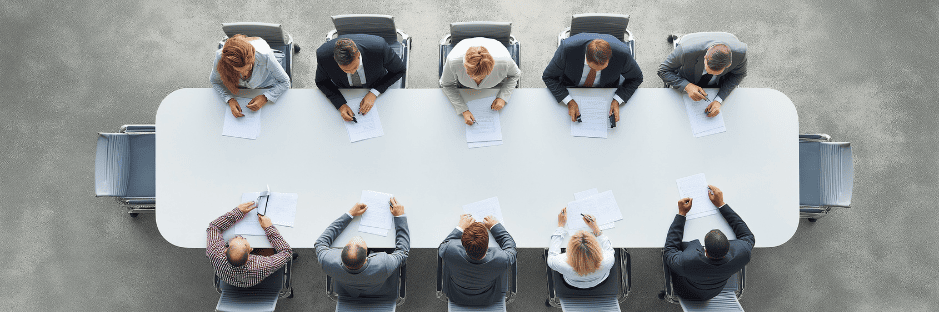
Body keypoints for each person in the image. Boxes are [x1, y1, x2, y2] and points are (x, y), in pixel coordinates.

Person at [663, 185, 755, 301]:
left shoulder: (686, 261)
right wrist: (721, 204)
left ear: (704, 249)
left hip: (686, 291)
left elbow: (670, 250)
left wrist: (681, 213)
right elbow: (747, 236)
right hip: (714, 292)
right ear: (729, 246)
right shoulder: (743, 253)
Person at [315, 198, 409, 299]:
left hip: (350, 290)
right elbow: (402, 252)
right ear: (367, 257)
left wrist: (350, 214)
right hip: (377, 288)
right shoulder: (383, 264)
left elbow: (320, 242)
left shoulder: (327, 261)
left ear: (341, 251)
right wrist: (400, 217)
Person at [542, 33, 643, 123]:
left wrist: (617, 99)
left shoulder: (622, 54)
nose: (597, 71)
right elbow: (549, 76)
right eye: (591, 67)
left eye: (602, 68)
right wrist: (568, 100)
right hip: (571, 87)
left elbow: (636, 78)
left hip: (606, 92)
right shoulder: (567, 49)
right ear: (586, 57)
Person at [315, 35, 406, 122]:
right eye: (345, 70)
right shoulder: (323, 56)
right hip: (345, 91)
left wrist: (374, 92)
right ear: (335, 59)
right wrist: (340, 104)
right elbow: (321, 82)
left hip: (376, 84)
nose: (352, 72)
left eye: (355, 67)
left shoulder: (380, 49)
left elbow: (400, 70)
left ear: (358, 54)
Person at [658, 32, 747, 118]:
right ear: (705, 57)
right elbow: (663, 70)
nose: (709, 74)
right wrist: (687, 86)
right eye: (708, 70)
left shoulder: (741, 54)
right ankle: (678, 39)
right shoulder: (686, 51)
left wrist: (718, 100)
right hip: (688, 77)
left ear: (728, 64)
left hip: (719, 83)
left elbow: (739, 74)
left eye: (715, 73)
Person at [206, 201, 293, 288]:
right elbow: (287, 253)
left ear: (225, 251)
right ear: (250, 252)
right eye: (243, 239)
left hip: (229, 280)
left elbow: (213, 227)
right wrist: (269, 228)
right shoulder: (261, 265)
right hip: (253, 280)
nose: (239, 236)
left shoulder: (215, 254)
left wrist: (237, 213)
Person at [438, 214, 517, 306]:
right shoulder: (502, 259)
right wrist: (495, 226)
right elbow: (511, 247)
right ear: (487, 246)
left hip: (456, 295)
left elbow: (444, 244)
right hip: (487, 298)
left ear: (462, 244)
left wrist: (461, 227)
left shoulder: (449, 251)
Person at [440, 37, 521, 125]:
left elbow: (515, 75)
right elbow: (446, 84)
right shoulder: (453, 61)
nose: (477, 80)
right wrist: (463, 109)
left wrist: (503, 97)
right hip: (466, 92)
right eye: (473, 76)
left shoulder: (504, 61)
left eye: (482, 76)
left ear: (492, 66)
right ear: (465, 66)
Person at [210, 34, 291, 118]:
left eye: (248, 68)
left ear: (253, 59)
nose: (244, 74)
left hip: (265, 84)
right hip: (239, 90)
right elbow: (214, 81)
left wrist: (265, 97)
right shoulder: (221, 58)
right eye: (238, 71)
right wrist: (229, 99)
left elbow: (285, 81)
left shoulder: (265, 56)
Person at [547, 208, 614, 288]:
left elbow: (551, 255)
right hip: (599, 279)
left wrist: (560, 226)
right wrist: (595, 229)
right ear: (597, 248)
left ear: (570, 250)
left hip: (573, 282)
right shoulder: (608, 260)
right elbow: (608, 248)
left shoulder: (561, 263)